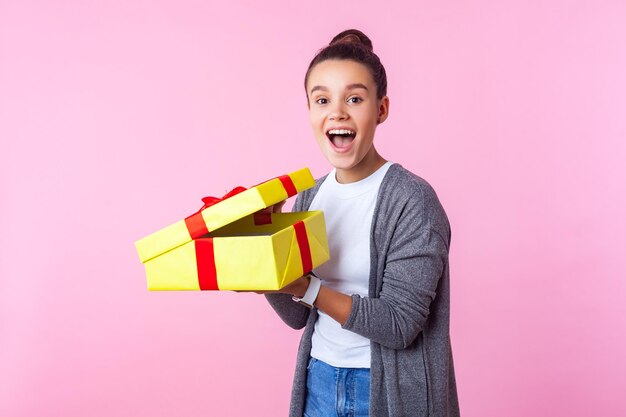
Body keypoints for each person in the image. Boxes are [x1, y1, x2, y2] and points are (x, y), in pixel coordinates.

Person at [263, 29, 460, 417]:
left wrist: (306, 286)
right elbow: (298, 315)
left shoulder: (412, 201)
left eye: (354, 98)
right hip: (318, 382)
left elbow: (400, 325)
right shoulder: (308, 197)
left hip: (386, 391)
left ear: (381, 109)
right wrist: (264, 275)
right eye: (322, 99)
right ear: (310, 112)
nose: (337, 112)